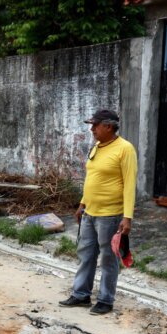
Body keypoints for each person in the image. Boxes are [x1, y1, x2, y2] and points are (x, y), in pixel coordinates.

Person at [59, 109, 137, 315]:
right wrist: (82, 204)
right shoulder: (97, 147)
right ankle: (81, 294)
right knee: (85, 254)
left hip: (110, 215)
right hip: (90, 213)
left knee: (109, 259)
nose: (92, 129)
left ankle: (105, 299)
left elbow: (129, 185)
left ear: (109, 126)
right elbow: (92, 178)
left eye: (96, 125)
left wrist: (127, 217)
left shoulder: (125, 149)